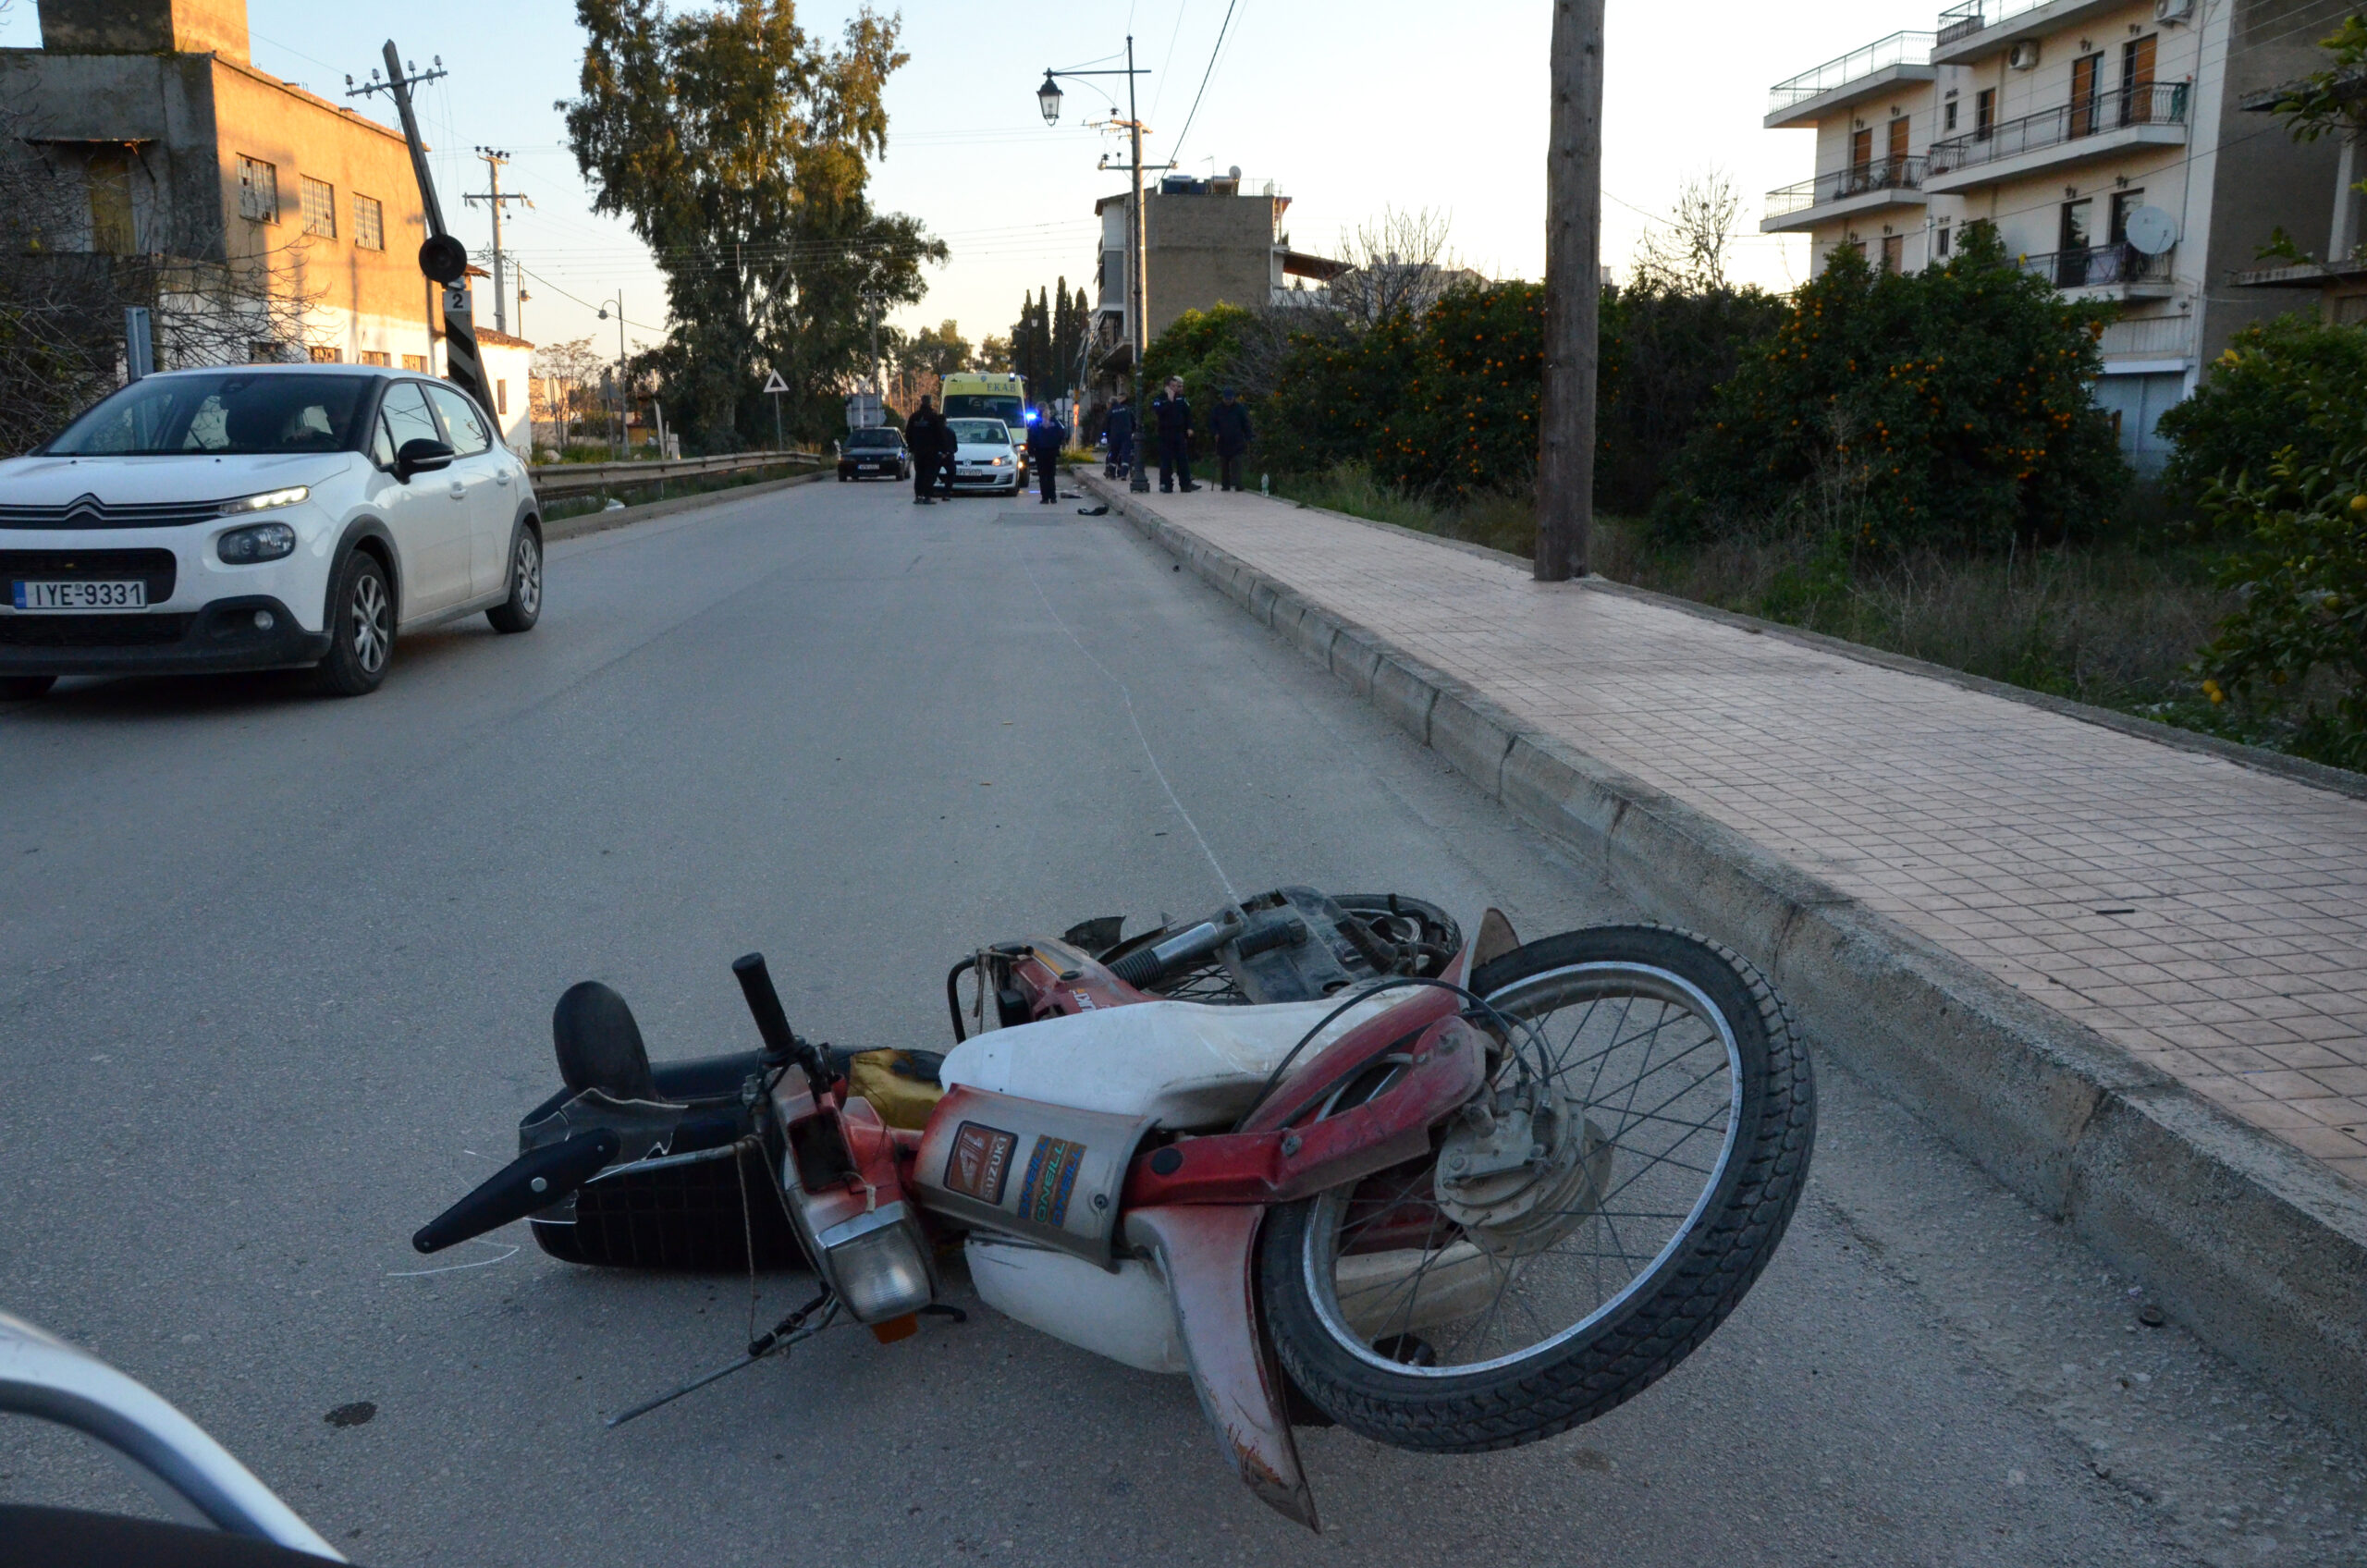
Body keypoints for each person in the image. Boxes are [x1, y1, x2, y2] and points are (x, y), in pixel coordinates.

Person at [1150, 376, 1197, 494]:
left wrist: (1190, 427)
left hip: (1179, 433)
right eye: (1173, 386)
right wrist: (1169, 401)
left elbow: (1188, 414)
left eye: (1177, 386)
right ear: (1166, 386)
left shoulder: (1181, 398)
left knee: (1182, 460)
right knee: (1166, 461)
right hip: (1165, 433)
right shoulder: (1160, 399)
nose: (1176, 388)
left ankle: (1185, 484)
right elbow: (1158, 411)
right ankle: (1166, 484)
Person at [905, 397, 948, 504]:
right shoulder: (933, 417)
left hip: (918, 451)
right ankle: (927, 496)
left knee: (919, 473)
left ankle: (918, 496)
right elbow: (940, 434)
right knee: (929, 474)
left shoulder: (914, 417)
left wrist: (912, 447)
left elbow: (908, 433)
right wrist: (943, 449)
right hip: (931, 452)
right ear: (930, 403)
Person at [1210, 387, 1253, 492]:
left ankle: (1238, 483)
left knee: (1237, 462)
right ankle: (1225, 485)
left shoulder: (1239, 408)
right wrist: (1215, 433)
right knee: (1224, 464)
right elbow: (1212, 423)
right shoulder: (1217, 409)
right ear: (1223, 398)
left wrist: (1248, 436)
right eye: (1226, 399)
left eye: (1230, 399)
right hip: (1222, 440)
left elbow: (1245, 423)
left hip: (1236, 440)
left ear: (1234, 398)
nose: (1228, 401)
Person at [1025, 402, 1068, 504]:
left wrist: (1031, 451)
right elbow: (1062, 433)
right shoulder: (1054, 420)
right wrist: (1059, 445)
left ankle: (1045, 498)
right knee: (1051, 475)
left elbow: (1031, 437)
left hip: (1040, 452)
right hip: (1052, 451)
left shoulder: (1035, 422)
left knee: (1043, 475)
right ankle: (1053, 497)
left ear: (1037, 410)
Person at [1102, 392, 1135, 480]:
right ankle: (1124, 473)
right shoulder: (1126, 409)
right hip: (1126, 434)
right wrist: (1133, 431)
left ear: (1110, 404)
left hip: (1115, 435)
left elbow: (1107, 426)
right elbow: (1133, 421)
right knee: (1125, 454)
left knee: (1114, 454)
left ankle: (1112, 474)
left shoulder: (1110, 412)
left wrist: (1106, 437)